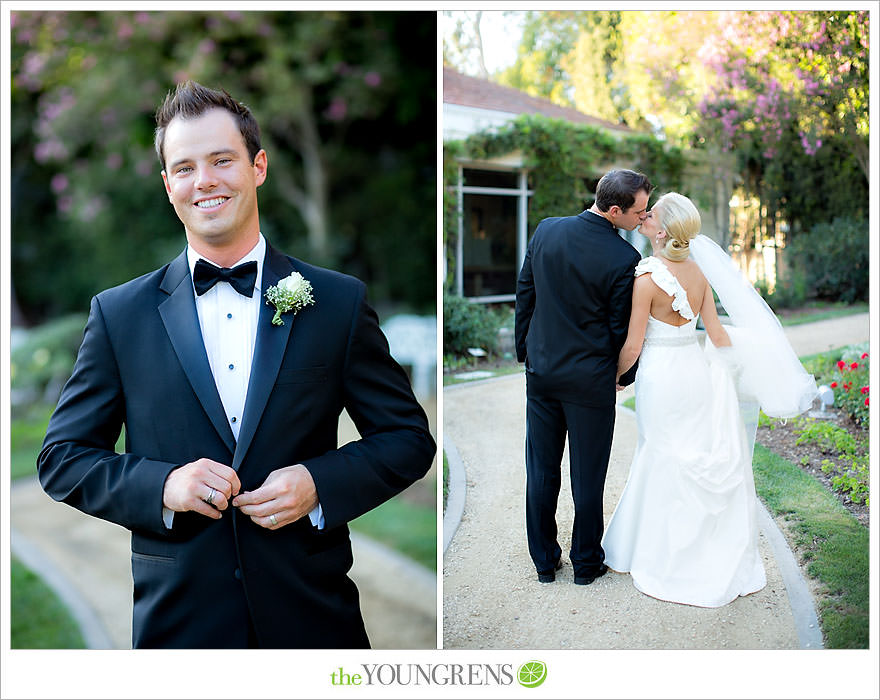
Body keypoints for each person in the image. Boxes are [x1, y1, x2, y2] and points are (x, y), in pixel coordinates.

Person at [37, 81, 436, 648]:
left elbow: (408, 438)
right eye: (184, 168)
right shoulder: (119, 315)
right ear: (168, 185)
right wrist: (164, 485)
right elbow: (62, 459)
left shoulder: (336, 303)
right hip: (180, 631)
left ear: (259, 167)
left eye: (222, 160)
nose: (204, 181)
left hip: (312, 621)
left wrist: (318, 484)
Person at [602, 192, 817, 607]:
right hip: (694, 372)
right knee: (687, 451)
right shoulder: (699, 274)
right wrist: (748, 362)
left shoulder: (645, 278)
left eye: (651, 215)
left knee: (661, 452)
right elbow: (717, 335)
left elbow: (632, 344)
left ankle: (659, 551)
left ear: (662, 231)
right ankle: (695, 545)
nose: (643, 217)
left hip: (662, 376)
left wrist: (616, 377)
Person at [515, 169, 650, 585]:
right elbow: (617, 329)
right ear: (615, 210)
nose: (643, 219)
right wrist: (624, 374)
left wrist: (526, 352)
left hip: (541, 373)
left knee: (541, 470)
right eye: (640, 212)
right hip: (590, 381)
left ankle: (544, 561)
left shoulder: (546, 231)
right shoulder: (624, 259)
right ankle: (586, 564)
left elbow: (526, 293)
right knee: (588, 476)